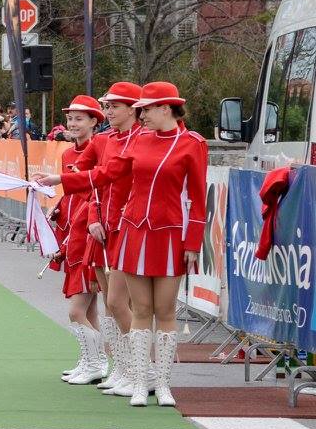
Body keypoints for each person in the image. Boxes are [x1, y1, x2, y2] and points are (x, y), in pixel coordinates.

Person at [36, 82, 207, 407]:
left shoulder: (192, 143)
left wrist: (193, 242)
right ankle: (140, 380)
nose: (142, 115)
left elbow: (198, 198)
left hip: (170, 234)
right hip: (133, 232)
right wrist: (62, 180)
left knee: (164, 310)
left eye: (146, 109)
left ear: (166, 108)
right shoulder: (137, 140)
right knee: (134, 308)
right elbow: (106, 174)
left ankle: (162, 384)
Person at [72, 82, 141, 397]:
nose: (109, 111)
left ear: (132, 109)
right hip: (102, 228)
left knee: (124, 303)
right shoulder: (103, 140)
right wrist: (93, 218)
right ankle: (122, 368)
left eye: (115, 106)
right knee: (110, 304)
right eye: (107, 106)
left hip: (127, 228)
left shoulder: (141, 140)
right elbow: (91, 182)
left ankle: (140, 370)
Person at [48, 96, 107, 385]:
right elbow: (71, 193)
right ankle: (92, 360)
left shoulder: (101, 151)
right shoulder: (68, 154)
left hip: (87, 235)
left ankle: (97, 362)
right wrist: (58, 207)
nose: (72, 124)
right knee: (90, 308)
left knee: (76, 310)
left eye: (79, 119)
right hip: (70, 233)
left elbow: (93, 194)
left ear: (94, 121)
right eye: (70, 118)